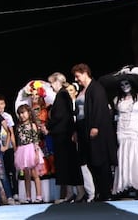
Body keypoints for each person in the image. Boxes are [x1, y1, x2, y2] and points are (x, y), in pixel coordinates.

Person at [72, 63, 117, 202]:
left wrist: (95, 126)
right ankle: (99, 191)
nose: (76, 79)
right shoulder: (85, 89)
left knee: (100, 161)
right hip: (84, 128)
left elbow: (99, 108)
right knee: (91, 161)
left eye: (77, 76)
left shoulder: (96, 88)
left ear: (85, 72)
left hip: (95, 129)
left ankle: (106, 191)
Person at [47, 72, 85, 203]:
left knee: (69, 164)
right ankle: (71, 193)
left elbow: (59, 116)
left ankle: (78, 192)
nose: (51, 86)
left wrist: (48, 124)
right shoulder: (63, 95)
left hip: (63, 135)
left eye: (52, 82)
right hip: (64, 134)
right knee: (67, 165)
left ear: (58, 81)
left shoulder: (62, 95)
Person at [14, 103, 44, 203]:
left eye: (23, 113)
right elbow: (19, 140)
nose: (22, 115)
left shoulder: (32, 125)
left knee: (35, 174)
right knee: (26, 174)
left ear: (28, 113)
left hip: (31, 149)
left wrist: (36, 153)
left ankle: (39, 196)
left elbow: (36, 140)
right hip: (22, 150)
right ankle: (28, 197)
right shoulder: (19, 126)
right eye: (20, 114)